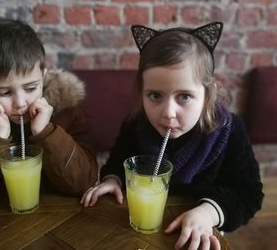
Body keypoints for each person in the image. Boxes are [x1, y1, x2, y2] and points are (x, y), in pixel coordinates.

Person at [81, 22, 264, 250]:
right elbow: (119, 162)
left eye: (184, 97)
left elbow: (248, 194)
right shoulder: (135, 125)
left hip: (198, 233)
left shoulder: (229, 129)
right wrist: (112, 179)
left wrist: (208, 214)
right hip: (136, 227)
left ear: (207, 95)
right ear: (141, 92)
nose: (168, 113)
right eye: (155, 95)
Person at [0, 18, 98, 206]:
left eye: (31, 88)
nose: (20, 103)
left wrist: (45, 133)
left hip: (62, 219)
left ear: (42, 75)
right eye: (4, 92)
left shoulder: (68, 116)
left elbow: (84, 183)